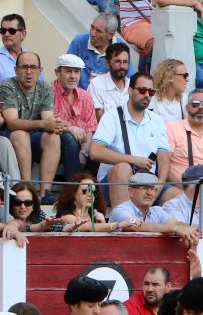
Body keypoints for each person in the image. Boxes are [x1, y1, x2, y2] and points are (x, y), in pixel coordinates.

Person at [0, 52, 77, 205]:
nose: (29, 72)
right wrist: (44, 124)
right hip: (12, 139)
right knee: (20, 134)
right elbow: (12, 123)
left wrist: (56, 125)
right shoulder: (8, 86)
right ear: (16, 70)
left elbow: (48, 120)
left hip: (34, 139)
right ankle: (28, 189)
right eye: (24, 67)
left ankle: (45, 193)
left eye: (33, 67)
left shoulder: (45, 87)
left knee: (53, 136)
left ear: (40, 70)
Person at [89, 72, 170, 210]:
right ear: (130, 91)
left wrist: (160, 184)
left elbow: (164, 157)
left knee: (176, 195)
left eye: (151, 92)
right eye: (143, 90)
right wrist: (134, 160)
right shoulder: (112, 116)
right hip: (114, 183)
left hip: (148, 183)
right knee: (123, 168)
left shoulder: (157, 120)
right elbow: (95, 151)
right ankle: (125, 220)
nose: (147, 95)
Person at [108, 173, 201, 247]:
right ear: (131, 191)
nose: (149, 193)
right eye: (144, 188)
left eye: (152, 189)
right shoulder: (121, 210)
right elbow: (135, 226)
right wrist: (176, 229)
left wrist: (187, 229)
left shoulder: (157, 210)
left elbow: (175, 223)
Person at [51, 54, 97, 178]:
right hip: (54, 145)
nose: (73, 76)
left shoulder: (85, 96)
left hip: (82, 147)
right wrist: (69, 128)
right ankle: (72, 188)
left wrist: (84, 152)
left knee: (100, 150)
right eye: (68, 71)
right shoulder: (48, 92)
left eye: (77, 72)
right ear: (57, 73)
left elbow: (90, 130)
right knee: (69, 139)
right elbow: (47, 122)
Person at [165, 89, 203, 185]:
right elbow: (163, 161)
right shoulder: (172, 127)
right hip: (178, 186)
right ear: (187, 107)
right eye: (195, 104)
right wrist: (182, 188)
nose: (201, 107)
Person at [67, 13, 126, 90]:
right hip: (77, 93)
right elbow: (66, 69)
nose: (92, 33)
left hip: (106, 95)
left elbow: (128, 79)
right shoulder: (80, 41)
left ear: (110, 35)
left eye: (98, 31)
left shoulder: (120, 48)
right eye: (92, 27)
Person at [87, 42, 132, 121]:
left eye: (125, 62)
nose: (122, 66)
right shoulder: (96, 85)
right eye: (117, 61)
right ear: (107, 63)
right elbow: (100, 121)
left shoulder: (133, 86)